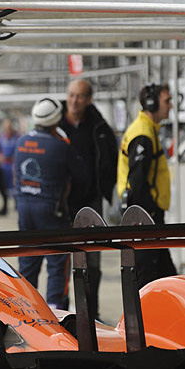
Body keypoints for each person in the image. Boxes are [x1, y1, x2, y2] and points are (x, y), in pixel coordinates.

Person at [14, 98, 86, 310]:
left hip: (25, 209)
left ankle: (26, 309)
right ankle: (56, 312)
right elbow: (81, 175)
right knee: (56, 263)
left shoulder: (21, 142)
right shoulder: (61, 146)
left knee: (27, 262)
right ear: (56, 118)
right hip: (52, 211)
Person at [58, 78, 118, 320]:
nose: (74, 100)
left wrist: (106, 188)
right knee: (59, 261)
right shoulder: (56, 123)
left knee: (92, 260)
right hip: (61, 203)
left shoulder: (99, 126)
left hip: (91, 201)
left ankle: (91, 314)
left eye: (80, 96)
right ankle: (60, 313)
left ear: (89, 99)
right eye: (71, 95)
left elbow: (111, 158)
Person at [117, 83, 177, 288]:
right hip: (145, 218)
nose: (171, 105)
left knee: (165, 276)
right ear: (151, 103)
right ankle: (142, 319)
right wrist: (148, 212)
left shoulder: (148, 130)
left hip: (148, 217)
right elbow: (138, 180)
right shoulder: (142, 134)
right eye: (167, 101)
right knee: (147, 278)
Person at [0, 119, 19, 212]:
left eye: (9, 127)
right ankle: (5, 206)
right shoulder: (0, 137)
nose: (8, 129)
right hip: (3, 166)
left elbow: (19, 149)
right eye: (6, 127)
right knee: (3, 186)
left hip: (13, 165)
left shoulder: (17, 137)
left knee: (15, 185)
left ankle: (17, 204)